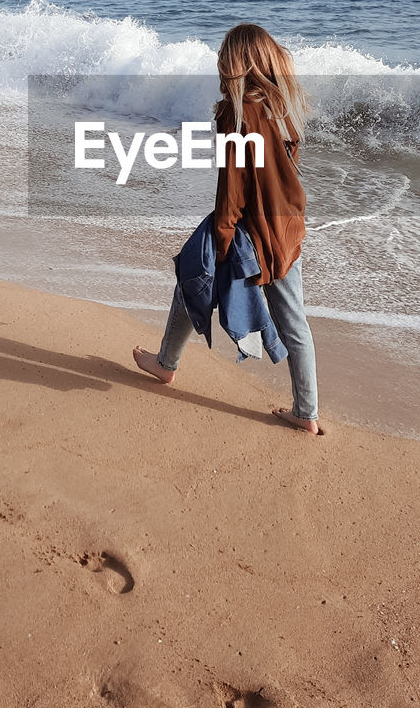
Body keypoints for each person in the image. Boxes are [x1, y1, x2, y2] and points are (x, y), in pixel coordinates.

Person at [133, 23, 320, 433]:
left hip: (251, 232)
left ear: (236, 64)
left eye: (224, 57)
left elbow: (232, 187)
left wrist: (220, 238)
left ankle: (166, 364)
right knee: (295, 323)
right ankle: (306, 414)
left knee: (190, 275)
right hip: (289, 229)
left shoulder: (234, 113)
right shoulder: (283, 108)